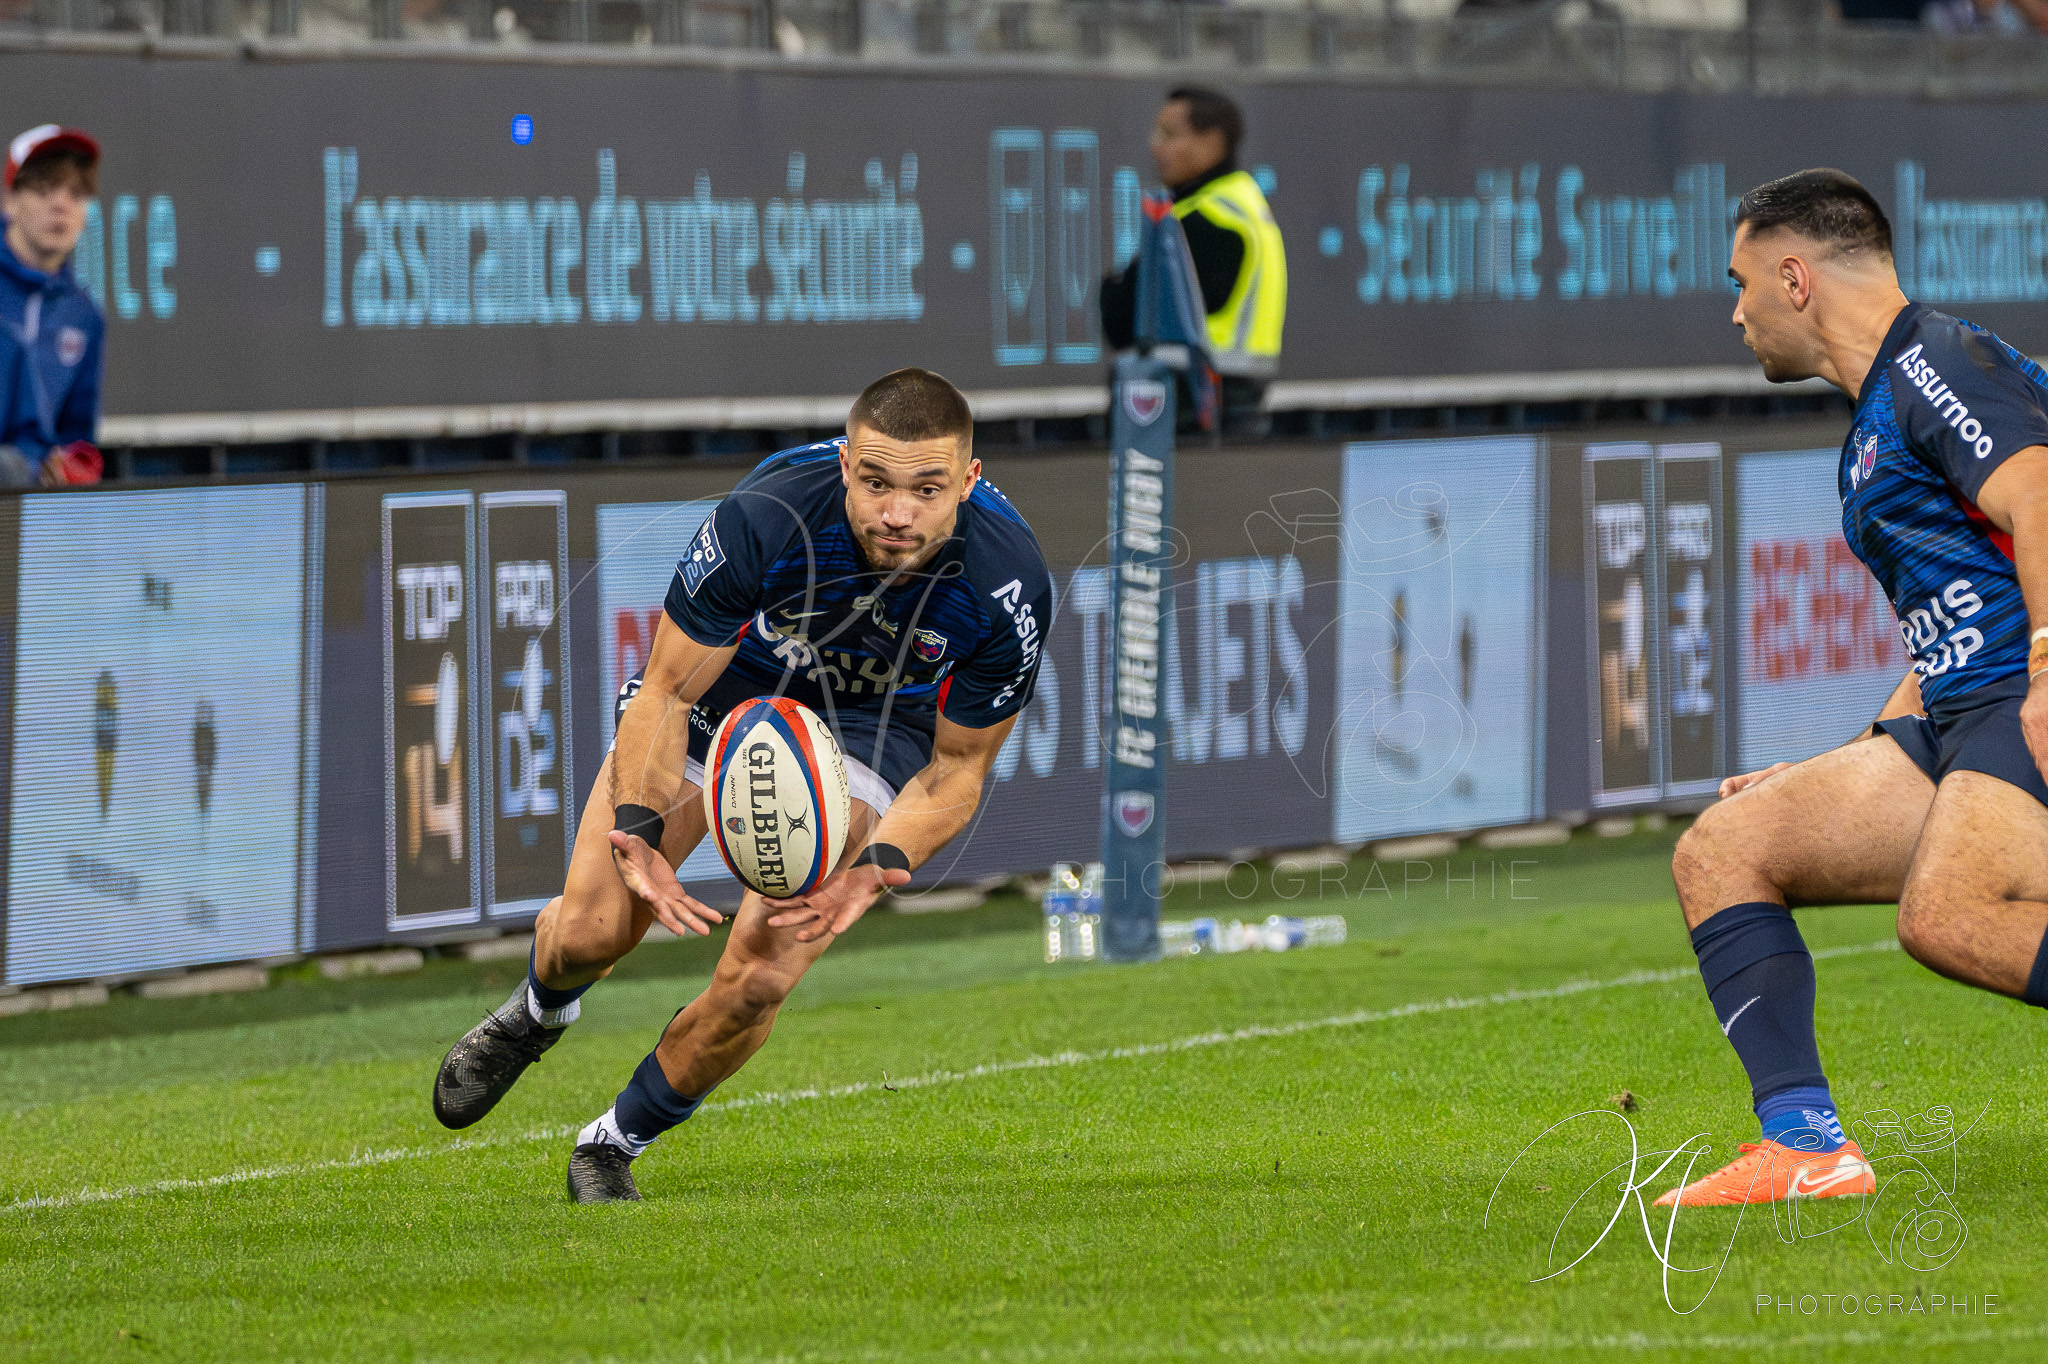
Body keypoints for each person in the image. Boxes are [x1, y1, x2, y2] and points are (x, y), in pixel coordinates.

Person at [431, 368, 1054, 1204]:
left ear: (968, 484)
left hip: (872, 727)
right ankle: (539, 1010)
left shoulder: (1007, 586)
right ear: (844, 467)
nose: (895, 513)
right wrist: (640, 831)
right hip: (733, 688)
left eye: (926, 489)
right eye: (874, 483)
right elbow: (666, 689)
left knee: (765, 971)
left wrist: (874, 868)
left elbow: (959, 768)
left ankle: (614, 1142)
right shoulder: (767, 516)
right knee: (592, 929)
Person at [1657, 169, 2048, 1206]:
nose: (1733, 309)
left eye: (1740, 281)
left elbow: (2042, 496)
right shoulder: (1877, 412)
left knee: (1947, 913)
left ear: (1793, 276)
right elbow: (1949, 619)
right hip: (1965, 713)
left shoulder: (1936, 363)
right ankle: (1805, 1147)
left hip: (2023, 698)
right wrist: (1857, 753)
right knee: (1727, 846)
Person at [1099, 86, 1286, 434]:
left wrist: (1114, 288)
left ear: (1211, 141)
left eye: (1169, 134)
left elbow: (1127, 317)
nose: (1155, 146)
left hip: (1195, 404)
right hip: (1232, 402)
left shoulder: (1208, 220)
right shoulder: (1243, 204)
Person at [0, 124, 105, 487]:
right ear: (9, 201)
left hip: (26, 512)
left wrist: (67, 465)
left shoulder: (85, 315)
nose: (60, 205)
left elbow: (76, 436)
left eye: (76, 194)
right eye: (44, 190)